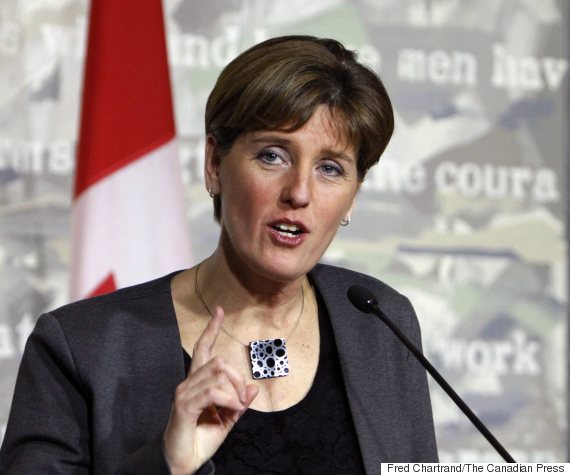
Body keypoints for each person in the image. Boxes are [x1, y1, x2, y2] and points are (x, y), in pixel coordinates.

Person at [0, 35, 438, 474]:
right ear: (214, 164)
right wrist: (167, 463)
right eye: (272, 155)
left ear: (354, 196)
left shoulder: (380, 325)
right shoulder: (83, 348)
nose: (299, 192)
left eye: (330, 168)